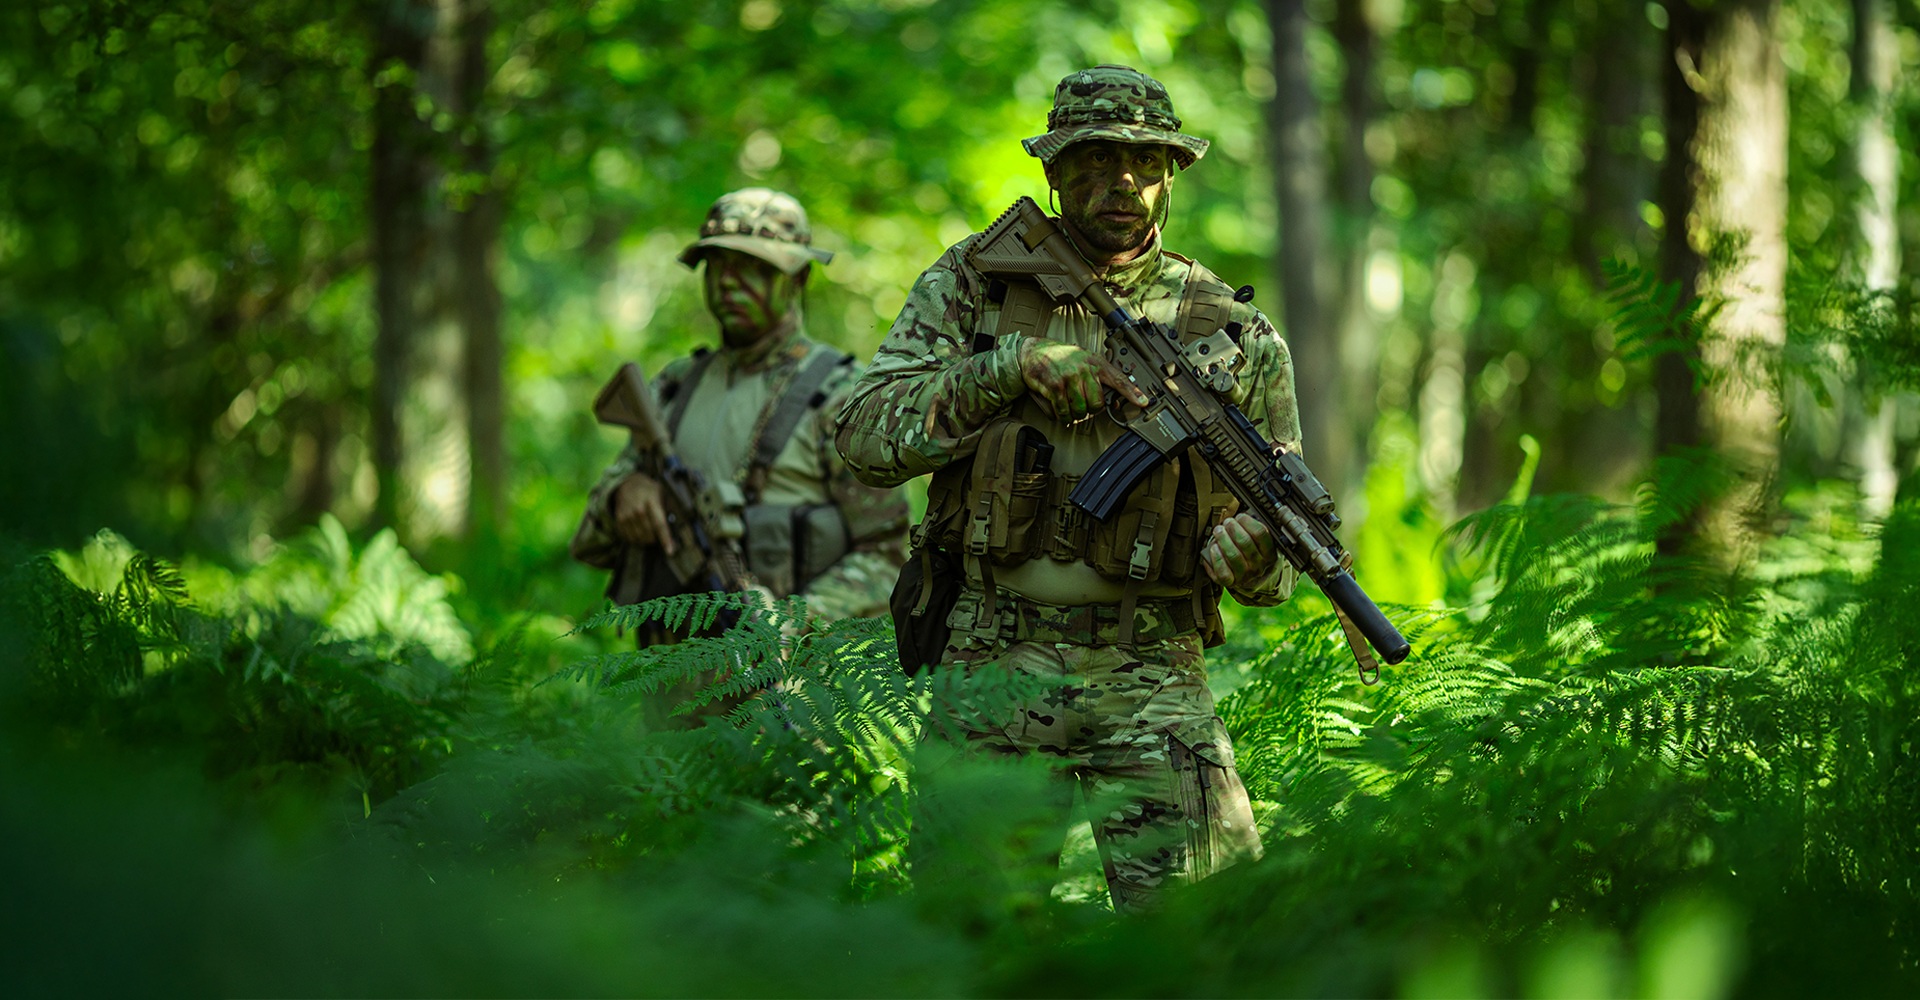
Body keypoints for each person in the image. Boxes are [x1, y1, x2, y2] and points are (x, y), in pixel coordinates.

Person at [835, 66, 1301, 912]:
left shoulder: (1235, 333)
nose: (1121, 182)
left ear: (1171, 177)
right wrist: (1005, 371)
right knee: (964, 943)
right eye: (1093, 160)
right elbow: (863, 436)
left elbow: (1277, 564)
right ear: (1054, 171)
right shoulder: (977, 283)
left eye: (1145, 163)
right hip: (992, 655)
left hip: (1155, 666)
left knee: (1211, 945)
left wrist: (1254, 557)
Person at [572, 187, 910, 724]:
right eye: (717, 265)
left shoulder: (841, 396)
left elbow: (890, 556)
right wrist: (623, 495)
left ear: (796, 278)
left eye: (752, 267)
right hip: (669, 695)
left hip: (789, 698)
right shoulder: (673, 389)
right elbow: (588, 540)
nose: (729, 282)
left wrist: (794, 622)